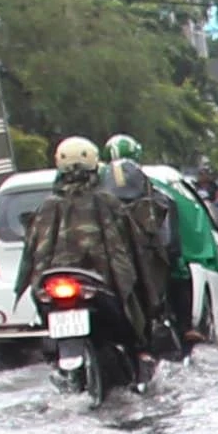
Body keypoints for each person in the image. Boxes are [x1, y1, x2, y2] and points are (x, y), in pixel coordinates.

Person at [16, 136, 172, 358]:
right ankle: (140, 350)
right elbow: (131, 248)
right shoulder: (107, 201)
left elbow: (31, 252)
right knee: (136, 305)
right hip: (98, 283)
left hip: (61, 282)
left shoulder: (47, 206)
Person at [106, 133, 218, 345]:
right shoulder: (156, 187)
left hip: (113, 259)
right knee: (179, 269)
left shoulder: (94, 190)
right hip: (140, 256)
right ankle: (185, 327)